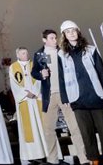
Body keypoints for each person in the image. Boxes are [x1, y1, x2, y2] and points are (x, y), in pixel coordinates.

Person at [58, 20, 103, 165]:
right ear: (64, 35)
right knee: (86, 132)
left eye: (73, 30)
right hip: (77, 98)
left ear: (78, 31)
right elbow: (61, 77)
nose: (71, 33)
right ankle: (94, 159)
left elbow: (102, 73)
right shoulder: (61, 55)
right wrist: (65, 97)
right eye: (68, 31)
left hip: (96, 95)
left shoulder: (91, 49)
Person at [32, 29, 87, 165]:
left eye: (55, 38)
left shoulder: (62, 51)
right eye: (51, 38)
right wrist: (41, 74)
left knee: (75, 127)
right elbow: (34, 72)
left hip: (65, 95)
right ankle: (52, 160)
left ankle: (84, 158)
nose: (54, 40)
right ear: (44, 40)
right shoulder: (40, 54)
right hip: (49, 97)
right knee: (48, 130)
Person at [9, 47, 47, 162]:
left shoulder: (35, 64)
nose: (26, 55)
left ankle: (46, 151)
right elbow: (14, 84)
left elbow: (40, 79)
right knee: (28, 129)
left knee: (42, 126)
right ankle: (32, 154)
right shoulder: (13, 67)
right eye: (23, 53)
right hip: (24, 101)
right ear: (18, 55)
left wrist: (34, 92)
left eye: (26, 52)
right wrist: (26, 94)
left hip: (36, 99)